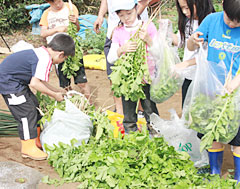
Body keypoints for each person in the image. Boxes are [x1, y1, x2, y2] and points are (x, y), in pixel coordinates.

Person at [187, 0, 240, 181]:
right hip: (211, 90)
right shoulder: (211, 20)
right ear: (223, 5)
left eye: (237, 22)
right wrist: (193, 41)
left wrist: (234, 83)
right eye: (229, 18)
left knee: (237, 138)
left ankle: (238, 177)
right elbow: (190, 47)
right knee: (212, 132)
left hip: (235, 94)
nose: (231, 24)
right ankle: (215, 172)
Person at [0, 34, 75, 160]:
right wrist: (55, 95)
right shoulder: (45, 59)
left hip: (17, 82)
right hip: (9, 83)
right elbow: (35, 84)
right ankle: (28, 148)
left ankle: (36, 141)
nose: (63, 61)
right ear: (61, 54)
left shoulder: (42, 53)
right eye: (65, 58)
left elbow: (40, 80)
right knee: (26, 112)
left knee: (35, 106)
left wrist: (57, 90)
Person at [107, 0, 159, 136]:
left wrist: (148, 40)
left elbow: (159, 53)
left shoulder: (148, 27)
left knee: (150, 112)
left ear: (137, 8)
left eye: (129, 13)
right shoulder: (118, 32)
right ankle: (132, 140)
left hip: (146, 78)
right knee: (129, 115)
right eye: (121, 15)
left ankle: (157, 139)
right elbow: (110, 57)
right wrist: (121, 50)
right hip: (128, 81)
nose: (126, 18)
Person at [94, 0, 149, 115]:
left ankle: (141, 110)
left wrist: (124, 21)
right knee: (115, 73)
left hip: (137, 31)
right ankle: (120, 111)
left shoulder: (138, 23)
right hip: (114, 32)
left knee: (139, 74)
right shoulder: (117, 31)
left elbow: (144, 2)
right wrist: (100, 16)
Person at [40, 0, 91, 99]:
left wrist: (76, 22)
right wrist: (57, 29)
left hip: (72, 50)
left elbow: (77, 28)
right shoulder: (47, 13)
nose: (57, 4)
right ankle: (70, 103)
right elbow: (43, 33)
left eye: (58, 1)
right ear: (49, 2)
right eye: (54, 3)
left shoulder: (70, 7)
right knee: (64, 84)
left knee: (82, 82)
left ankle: (89, 105)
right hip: (56, 52)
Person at [171, 0, 215, 107]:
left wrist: (185, 64)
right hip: (188, 76)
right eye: (182, 8)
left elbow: (209, 55)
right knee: (186, 111)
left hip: (203, 78)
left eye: (187, 7)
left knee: (200, 113)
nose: (185, 12)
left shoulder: (211, 22)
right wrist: (166, 32)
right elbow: (182, 43)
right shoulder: (187, 21)